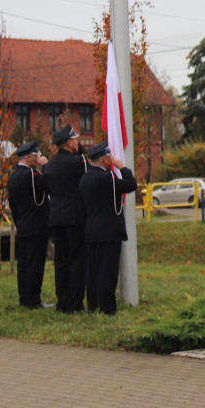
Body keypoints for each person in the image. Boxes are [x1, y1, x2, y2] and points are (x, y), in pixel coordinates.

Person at [79, 141, 137, 315]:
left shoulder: (84, 178)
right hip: (108, 232)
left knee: (93, 273)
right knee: (107, 272)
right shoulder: (108, 178)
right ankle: (107, 308)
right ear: (105, 159)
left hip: (90, 231)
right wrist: (122, 167)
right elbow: (130, 184)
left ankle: (93, 306)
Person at [45, 125, 88, 314]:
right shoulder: (79, 162)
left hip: (56, 218)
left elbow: (49, 190)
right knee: (77, 260)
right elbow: (85, 186)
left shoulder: (48, 166)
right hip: (75, 217)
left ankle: (62, 302)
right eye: (75, 139)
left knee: (61, 261)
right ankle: (75, 303)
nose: (78, 142)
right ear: (68, 142)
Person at [6, 140, 51, 309]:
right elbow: (49, 183)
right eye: (35, 156)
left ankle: (24, 297)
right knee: (35, 264)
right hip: (37, 226)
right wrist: (45, 166)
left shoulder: (13, 176)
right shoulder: (33, 176)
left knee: (23, 264)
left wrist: (19, 222)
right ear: (28, 157)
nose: (37, 158)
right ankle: (33, 300)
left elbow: (12, 204)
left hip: (23, 225)